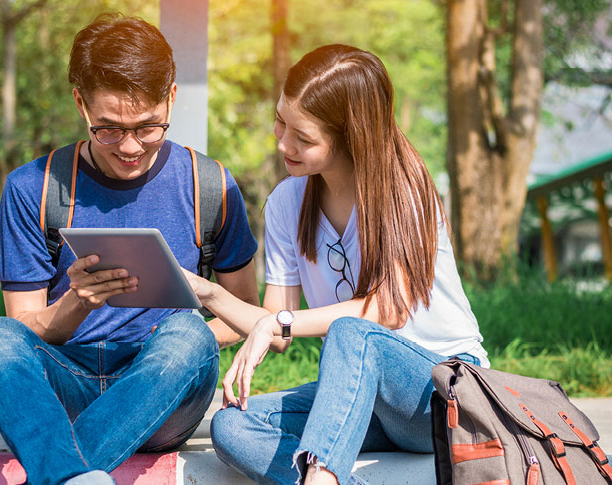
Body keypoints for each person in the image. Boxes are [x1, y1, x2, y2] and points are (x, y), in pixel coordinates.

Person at [0, 14, 259, 485]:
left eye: (148, 127)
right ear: (81, 104)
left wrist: (184, 318)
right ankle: (71, 476)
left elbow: (246, 315)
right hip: (69, 381)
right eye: (108, 129)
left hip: (166, 387)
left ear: (171, 98)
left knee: (187, 333)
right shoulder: (33, 188)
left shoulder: (210, 185)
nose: (130, 147)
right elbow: (24, 331)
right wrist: (76, 304)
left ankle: (57, 467)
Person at [183, 44, 489, 485]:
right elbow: (278, 326)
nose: (283, 142)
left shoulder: (405, 187)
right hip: (368, 402)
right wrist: (206, 291)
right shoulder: (288, 202)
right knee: (233, 425)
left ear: (350, 136)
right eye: (280, 121)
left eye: (303, 137)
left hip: (442, 395)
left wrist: (278, 324)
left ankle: (321, 478)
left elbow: (388, 310)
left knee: (353, 331)